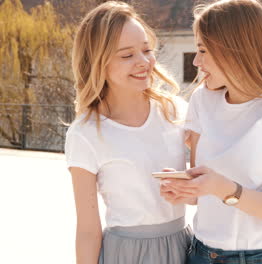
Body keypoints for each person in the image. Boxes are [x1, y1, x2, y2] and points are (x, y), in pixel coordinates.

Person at [160, 0, 262, 263]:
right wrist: (185, 190)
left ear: (235, 49)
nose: (196, 61)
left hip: (259, 256)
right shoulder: (201, 100)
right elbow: (202, 195)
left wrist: (223, 188)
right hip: (200, 253)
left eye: (203, 50)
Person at [65, 1, 191, 263]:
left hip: (185, 248)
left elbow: (209, 189)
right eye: (127, 55)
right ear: (98, 63)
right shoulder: (85, 133)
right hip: (125, 255)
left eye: (147, 50)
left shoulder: (176, 112)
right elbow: (88, 229)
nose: (144, 62)